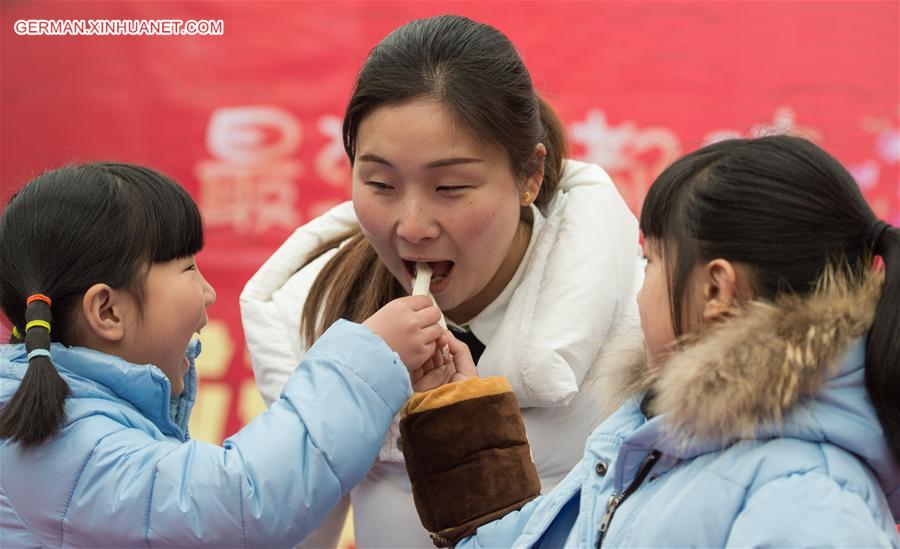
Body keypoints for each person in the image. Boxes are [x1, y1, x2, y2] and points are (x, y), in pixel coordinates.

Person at [239, 14, 643, 548]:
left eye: (450, 187)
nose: (411, 226)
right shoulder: (313, 317)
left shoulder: (640, 320)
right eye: (380, 183)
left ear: (530, 175)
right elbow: (289, 528)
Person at [401, 135, 900, 547]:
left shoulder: (807, 500)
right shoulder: (665, 441)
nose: (641, 291)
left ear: (715, 290)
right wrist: (460, 423)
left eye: (653, 261)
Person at [0, 163, 449, 547]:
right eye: (188, 268)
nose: (209, 293)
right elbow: (243, 502)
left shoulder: (69, 426)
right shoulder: (59, 448)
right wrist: (365, 361)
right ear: (108, 310)